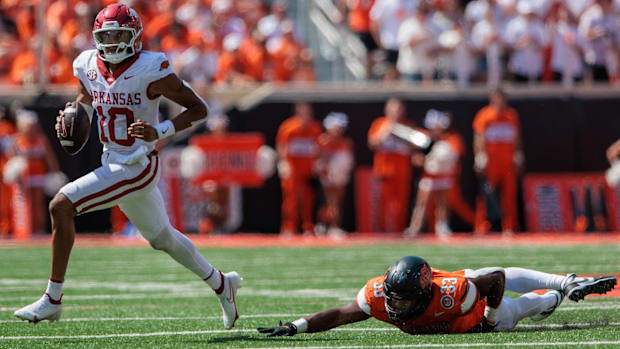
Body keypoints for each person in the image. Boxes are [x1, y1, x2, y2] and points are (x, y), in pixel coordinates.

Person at [13, 4, 241, 329]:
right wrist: (74, 113)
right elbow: (85, 96)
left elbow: (198, 108)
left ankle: (52, 299)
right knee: (162, 238)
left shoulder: (151, 68)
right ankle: (222, 284)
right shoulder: (87, 64)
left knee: (61, 205)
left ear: (134, 35)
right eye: (106, 36)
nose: (112, 41)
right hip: (112, 158)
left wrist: (160, 131)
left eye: (119, 34)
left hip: (138, 163)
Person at [258, 255, 617, 336]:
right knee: (512, 294)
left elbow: (495, 280)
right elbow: (339, 315)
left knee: (521, 306)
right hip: (464, 302)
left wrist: (489, 321)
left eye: (401, 299)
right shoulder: (380, 296)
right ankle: (560, 289)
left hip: (475, 314)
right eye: (391, 296)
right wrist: (295, 326)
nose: (393, 304)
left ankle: (561, 286)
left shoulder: (451, 295)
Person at [406, 110, 468, 238]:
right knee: (422, 204)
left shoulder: (451, 139)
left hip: (443, 176)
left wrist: (439, 158)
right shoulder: (424, 138)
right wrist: (423, 160)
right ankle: (415, 227)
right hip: (429, 176)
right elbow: (415, 155)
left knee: (442, 203)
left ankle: (442, 226)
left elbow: (455, 157)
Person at [473, 88, 523, 234]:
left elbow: (517, 137)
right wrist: (480, 156)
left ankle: (509, 226)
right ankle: (481, 227)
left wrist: (518, 154)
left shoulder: (511, 115)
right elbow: (479, 136)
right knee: (486, 195)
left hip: (507, 163)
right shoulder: (484, 115)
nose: (500, 103)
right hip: (491, 163)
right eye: (497, 99)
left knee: (509, 196)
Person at [367, 98, 418, 232]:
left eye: (399, 109)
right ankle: (381, 232)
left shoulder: (407, 125)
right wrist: (386, 130)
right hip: (383, 170)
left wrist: (405, 139)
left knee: (400, 204)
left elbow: (416, 147)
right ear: (386, 109)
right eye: (393, 108)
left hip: (402, 171)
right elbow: (372, 144)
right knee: (381, 204)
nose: (396, 112)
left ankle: (398, 231)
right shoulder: (379, 123)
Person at [276, 102, 322, 235]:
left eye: (308, 112)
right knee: (290, 201)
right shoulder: (288, 127)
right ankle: (289, 227)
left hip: (308, 171)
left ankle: (308, 227)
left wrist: (318, 163)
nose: (306, 115)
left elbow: (319, 148)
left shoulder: (315, 128)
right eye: (303, 112)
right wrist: (282, 163)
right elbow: (281, 146)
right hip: (292, 170)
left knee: (308, 201)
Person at [315, 112, 354, 238]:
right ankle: (328, 225)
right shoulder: (323, 141)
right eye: (337, 127)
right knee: (330, 201)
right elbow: (319, 159)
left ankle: (333, 226)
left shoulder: (346, 142)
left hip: (340, 176)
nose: (339, 130)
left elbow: (348, 161)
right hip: (327, 176)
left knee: (337, 202)